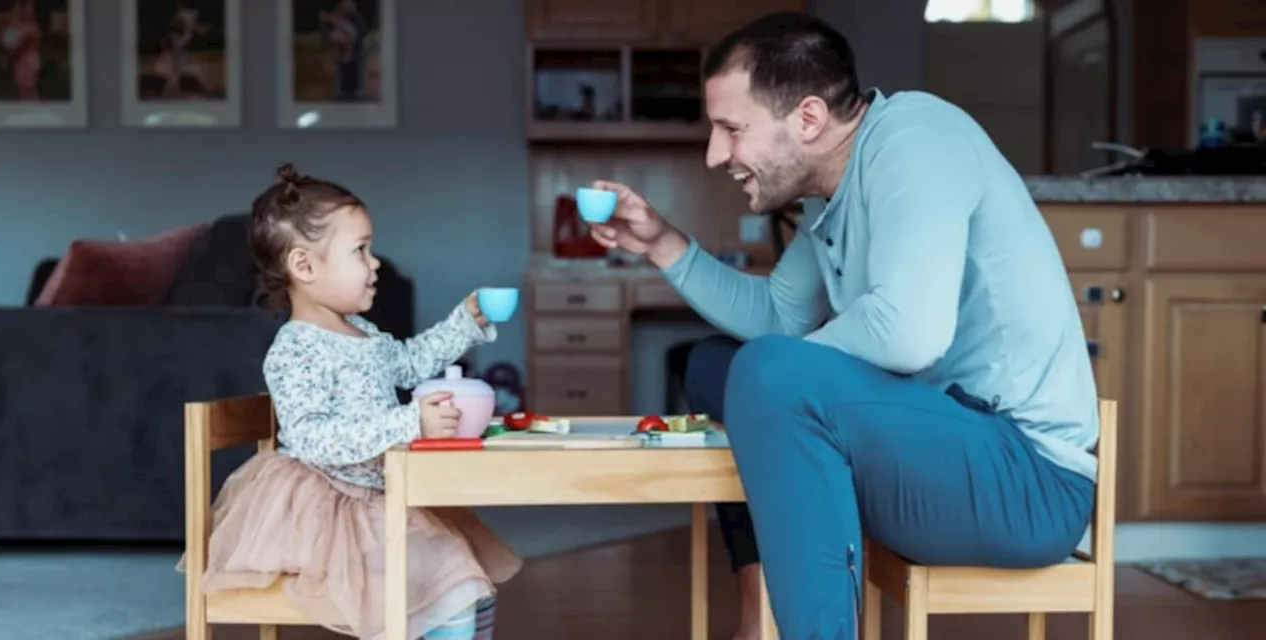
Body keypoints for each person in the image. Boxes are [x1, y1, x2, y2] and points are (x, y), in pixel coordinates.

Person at [588, 12, 1098, 640]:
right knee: (717, 363)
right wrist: (665, 244)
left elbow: (909, 335)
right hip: (936, 448)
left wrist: (778, 380)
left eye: (731, 129)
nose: (716, 154)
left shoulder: (916, 140)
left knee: (769, 374)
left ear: (807, 118)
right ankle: (761, 612)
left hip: (1025, 481)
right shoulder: (831, 192)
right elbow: (776, 319)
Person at [188, 164, 522, 639]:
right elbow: (313, 438)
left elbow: (408, 363)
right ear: (304, 266)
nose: (375, 263)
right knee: (447, 585)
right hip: (330, 507)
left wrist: (464, 322)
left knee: (468, 583)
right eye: (360, 251)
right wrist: (409, 423)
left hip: (380, 494)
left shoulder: (362, 331)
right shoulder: (296, 348)